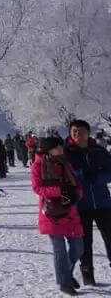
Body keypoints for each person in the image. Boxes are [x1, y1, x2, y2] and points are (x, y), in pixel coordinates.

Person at [33, 136, 85, 295]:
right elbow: (37, 188)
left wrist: (77, 193)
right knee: (59, 249)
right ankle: (64, 282)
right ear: (48, 149)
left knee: (78, 248)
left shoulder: (65, 162)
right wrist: (59, 191)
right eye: (57, 147)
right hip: (51, 212)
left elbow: (76, 182)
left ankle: (66, 274)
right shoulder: (38, 165)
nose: (61, 149)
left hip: (69, 210)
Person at [66, 119, 111, 287]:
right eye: (74, 131)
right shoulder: (66, 153)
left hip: (103, 203)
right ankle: (87, 274)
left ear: (88, 132)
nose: (77, 134)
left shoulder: (99, 151)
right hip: (80, 205)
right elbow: (63, 174)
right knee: (84, 242)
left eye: (81, 131)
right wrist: (80, 175)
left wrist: (97, 177)